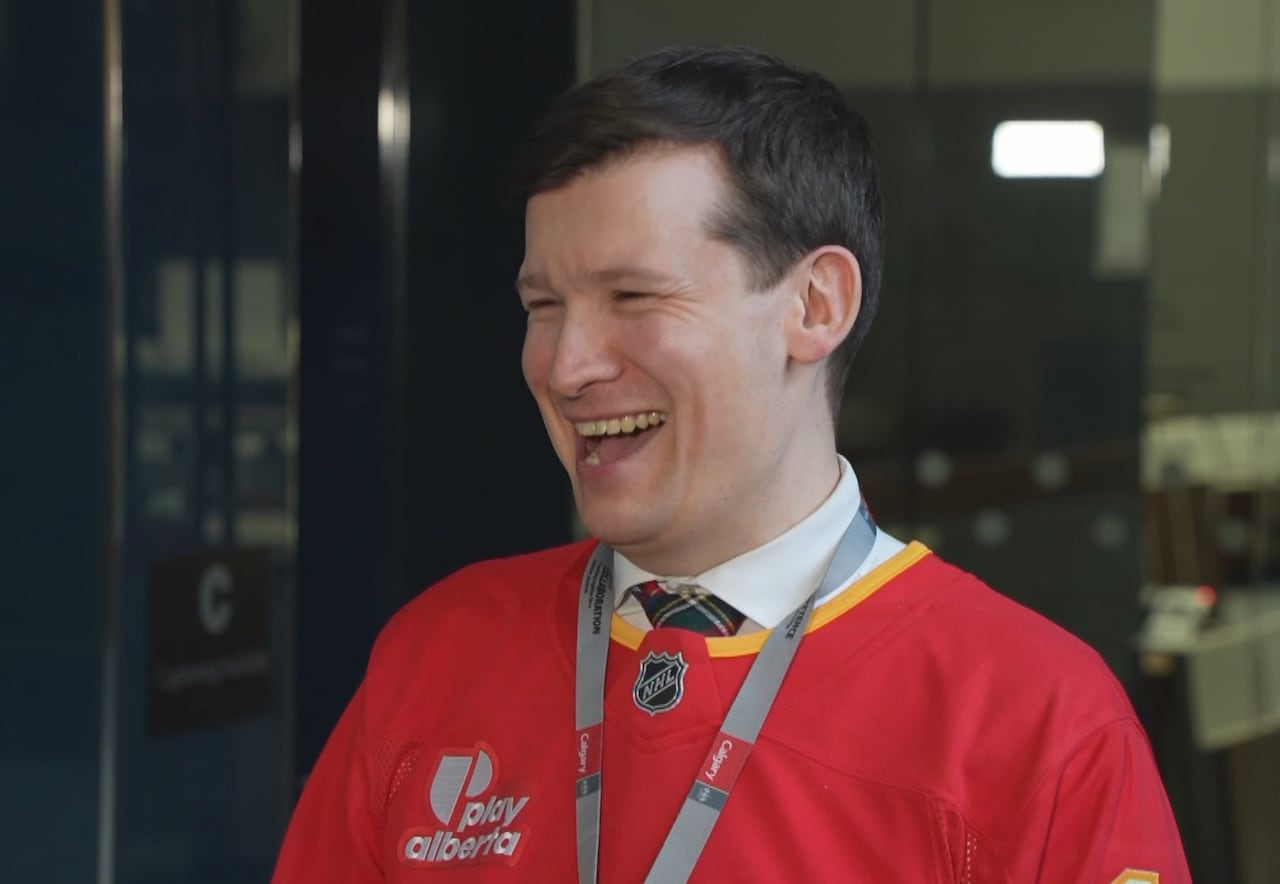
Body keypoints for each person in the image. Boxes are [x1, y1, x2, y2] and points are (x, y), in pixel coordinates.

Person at [273, 46, 1190, 883]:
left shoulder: (1038, 721)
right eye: (543, 306)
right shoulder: (438, 653)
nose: (566, 366)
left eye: (634, 296)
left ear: (816, 306)